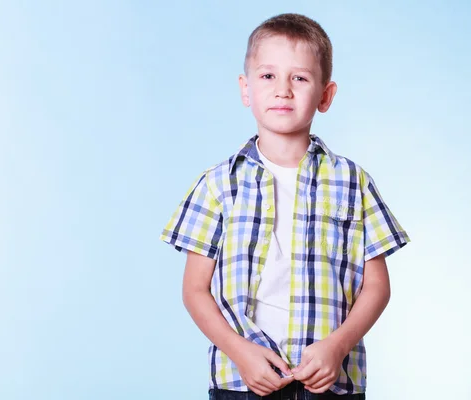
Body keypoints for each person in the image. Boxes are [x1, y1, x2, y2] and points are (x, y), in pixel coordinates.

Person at [159, 13, 410, 400]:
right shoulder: (217, 183)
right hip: (242, 380)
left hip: (330, 379)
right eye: (267, 76)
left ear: (325, 95)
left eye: (300, 78)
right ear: (246, 89)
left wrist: (338, 346)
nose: (283, 90)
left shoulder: (352, 181)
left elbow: (376, 286)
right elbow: (195, 289)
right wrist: (239, 351)